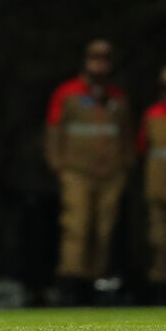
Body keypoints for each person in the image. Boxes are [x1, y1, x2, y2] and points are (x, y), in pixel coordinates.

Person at [44, 39, 133, 304]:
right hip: (77, 171)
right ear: (86, 61)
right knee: (77, 226)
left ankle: (96, 281)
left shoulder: (118, 97)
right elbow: (53, 130)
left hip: (111, 173)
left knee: (104, 230)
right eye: (95, 58)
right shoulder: (67, 93)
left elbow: (126, 135)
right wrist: (57, 164)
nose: (100, 64)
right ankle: (71, 283)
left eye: (105, 59)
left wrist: (126, 165)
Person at [136, 67, 166, 304]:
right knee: (158, 240)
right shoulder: (153, 114)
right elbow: (142, 149)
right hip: (158, 186)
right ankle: (159, 288)